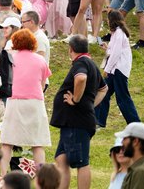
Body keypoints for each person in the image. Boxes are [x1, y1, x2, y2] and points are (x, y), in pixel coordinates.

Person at [50, 34, 108, 189]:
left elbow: (80, 78)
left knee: (81, 162)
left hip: (77, 121)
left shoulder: (81, 62)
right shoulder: (92, 64)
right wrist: (90, 103)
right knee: (61, 159)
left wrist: (76, 100)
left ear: (71, 49)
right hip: (72, 121)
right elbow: (104, 89)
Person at [0, 29, 52, 175]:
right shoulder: (40, 60)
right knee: (37, 143)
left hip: (15, 100)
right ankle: (42, 177)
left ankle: (3, 175)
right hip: (35, 102)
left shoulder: (11, 58)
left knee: (7, 142)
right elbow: (42, 83)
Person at [95, 11, 140, 129]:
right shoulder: (116, 34)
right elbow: (113, 51)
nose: (107, 21)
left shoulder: (119, 33)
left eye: (108, 19)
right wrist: (107, 47)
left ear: (112, 20)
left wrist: (107, 69)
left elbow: (116, 54)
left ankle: (135, 124)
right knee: (103, 93)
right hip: (115, 69)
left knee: (122, 98)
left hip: (118, 70)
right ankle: (98, 121)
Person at [116, 122, 144, 189]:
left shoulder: (141, 171)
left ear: (135, 141)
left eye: (124, 138)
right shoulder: (138, 167)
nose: (122, 142)